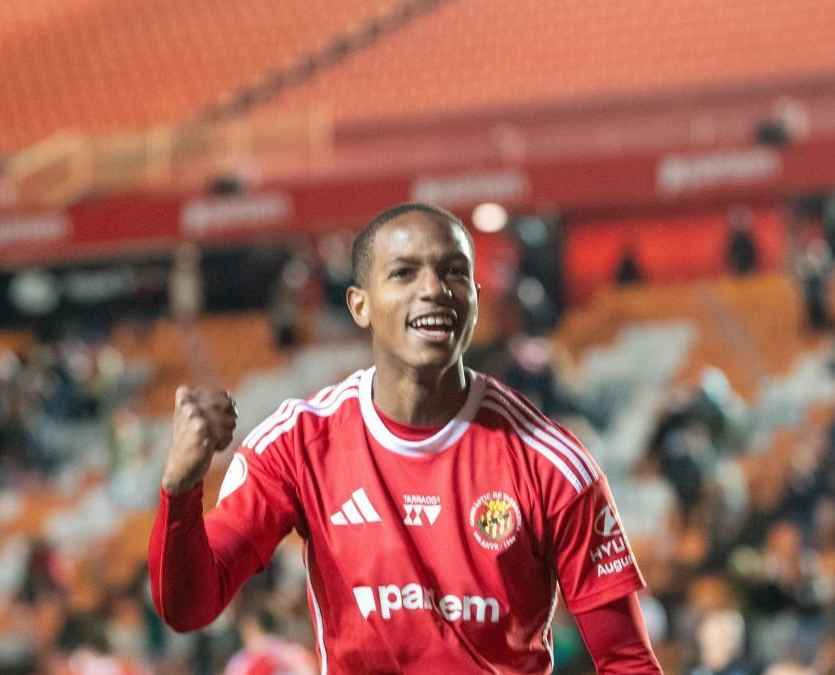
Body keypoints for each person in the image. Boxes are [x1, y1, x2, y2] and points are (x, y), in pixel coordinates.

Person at [149, 203, 662, 673]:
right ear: (360, 305)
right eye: (404, 273)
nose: (434, 288)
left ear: (475, 302)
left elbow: (626, 660)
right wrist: (181, 487)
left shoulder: (551, 462)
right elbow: (190, 607)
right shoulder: (297, 444)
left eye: (454, 272)